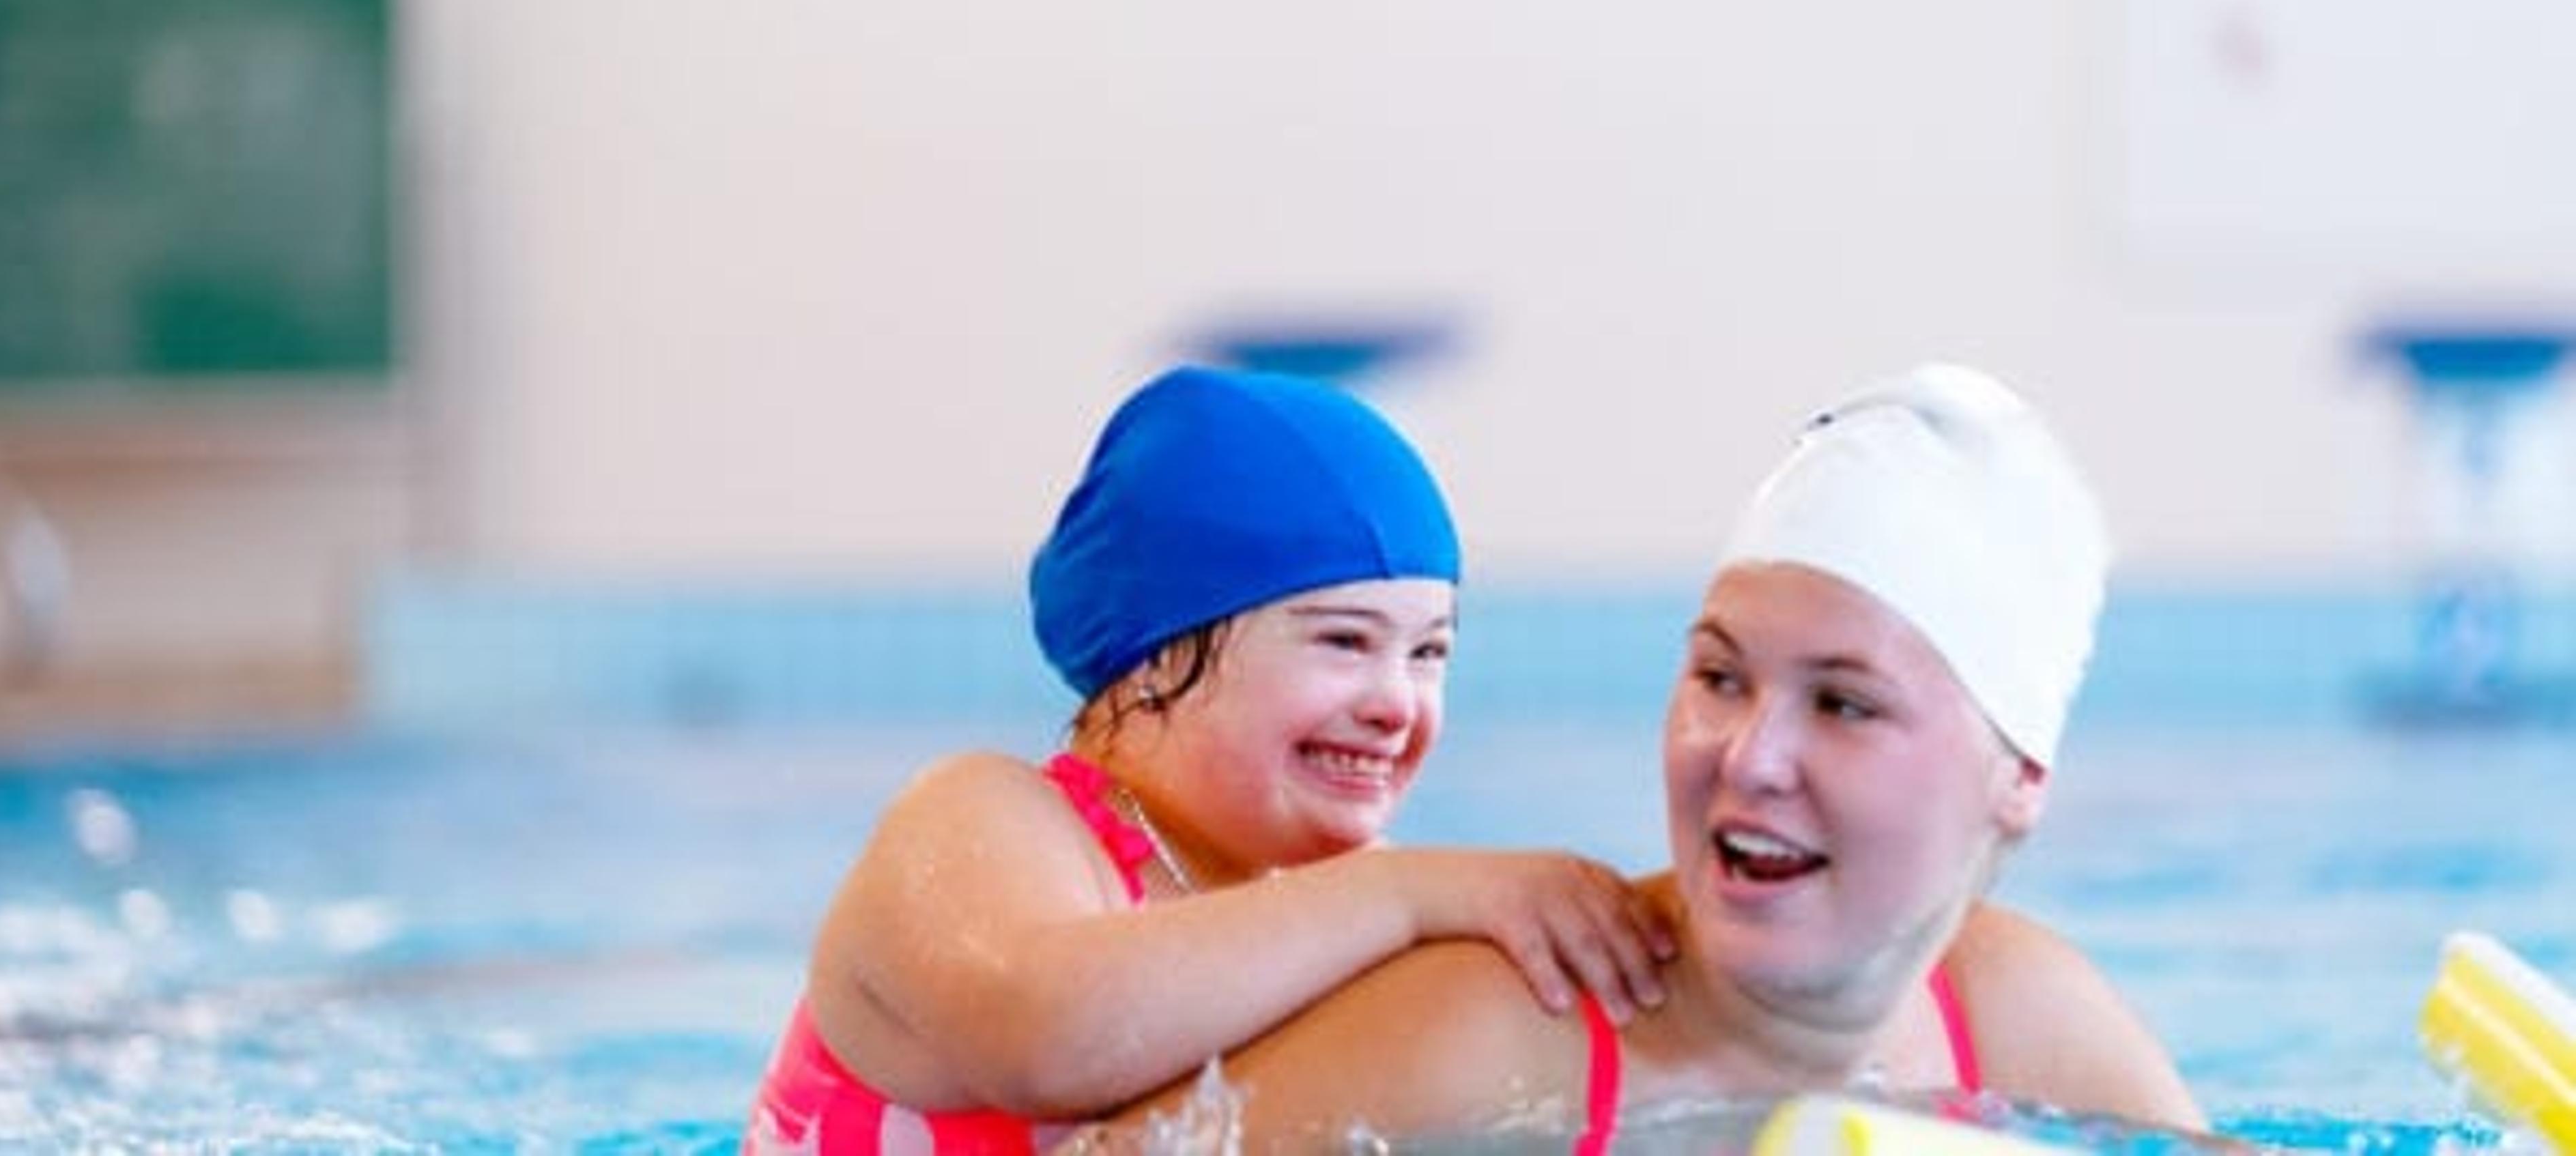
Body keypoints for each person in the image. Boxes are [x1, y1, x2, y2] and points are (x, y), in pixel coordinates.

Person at [1098, 363, 2208, 1151]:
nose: (1751, 757)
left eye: (1844, 705)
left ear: (2017, 781)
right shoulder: (1497, 1036)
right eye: (1721, 679)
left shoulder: (2019, 1020)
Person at [745, 364, 1678, 1155]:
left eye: (1429, 652)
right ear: (1155, 651)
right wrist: (1406, 899)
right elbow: (1047, 1037)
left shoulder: (1355, 908)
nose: (1399, 703)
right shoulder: (982, 820)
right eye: (1345, 642)